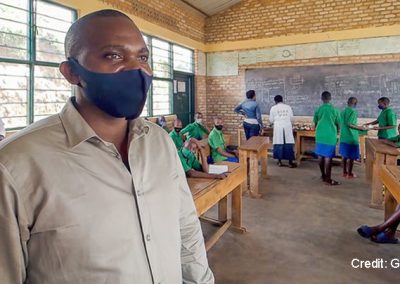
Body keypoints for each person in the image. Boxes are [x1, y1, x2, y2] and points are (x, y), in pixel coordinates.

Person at [0, 10, 214, 283]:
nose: (137, 69)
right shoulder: (16, 166)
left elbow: (185, 229)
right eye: (113, 56)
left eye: (143, 57)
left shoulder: (159, 142)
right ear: (72, 73)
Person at [313, 91, 341, 186]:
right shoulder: (335, 110)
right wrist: (337, 133)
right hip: (330, 135)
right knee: (328, 157)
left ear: (322, 99)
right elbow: (338, 124)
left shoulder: (318, 110)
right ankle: (328, 179)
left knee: (320, 156)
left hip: (320, 134)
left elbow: (315, 123)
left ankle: (323, 175)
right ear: (330, 98)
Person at [339, 97, 366, 178]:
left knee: (344, 156)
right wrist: (360, 128)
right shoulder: (353, 112)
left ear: (347, 102)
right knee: (351, 157)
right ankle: (349, 173)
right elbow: (350, 124)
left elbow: (343, 123)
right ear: (355, 104)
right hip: (351, 137)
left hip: (343, 136)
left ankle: (344, 172)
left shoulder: (343, 112)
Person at [269, 95, 296, 168]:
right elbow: (292, 118)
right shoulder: (288, 107)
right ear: (282, 100)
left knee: (279, 143)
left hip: (278, 127)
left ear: (275, 101)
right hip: (287, 126)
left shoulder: (273, 108)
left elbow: (271, 120)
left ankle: (279, 162)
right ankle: (290, 162)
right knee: (288, 144)